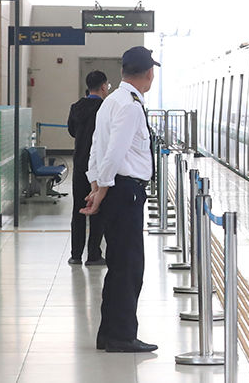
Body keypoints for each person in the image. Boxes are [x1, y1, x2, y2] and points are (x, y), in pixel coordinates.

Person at [82, 47, 159, 353]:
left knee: (118, 266)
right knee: (128, 267)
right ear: (149, 73)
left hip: (115, 189)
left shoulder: (111, 101)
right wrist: (101, 189)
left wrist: (95, 184)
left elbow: (96, 148)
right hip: (125, 192)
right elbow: (114, 152)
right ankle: (122, 336)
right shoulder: (130, 106)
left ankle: (109, 333)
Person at [67, 70, 109, 266]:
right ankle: (93, 255)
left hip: (79, 164)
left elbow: (72, 131)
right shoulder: (105, 108)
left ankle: (75, 255)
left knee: (78, 208)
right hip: (98, 165)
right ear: (103, 87)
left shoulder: (76, 107)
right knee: (97, 208)